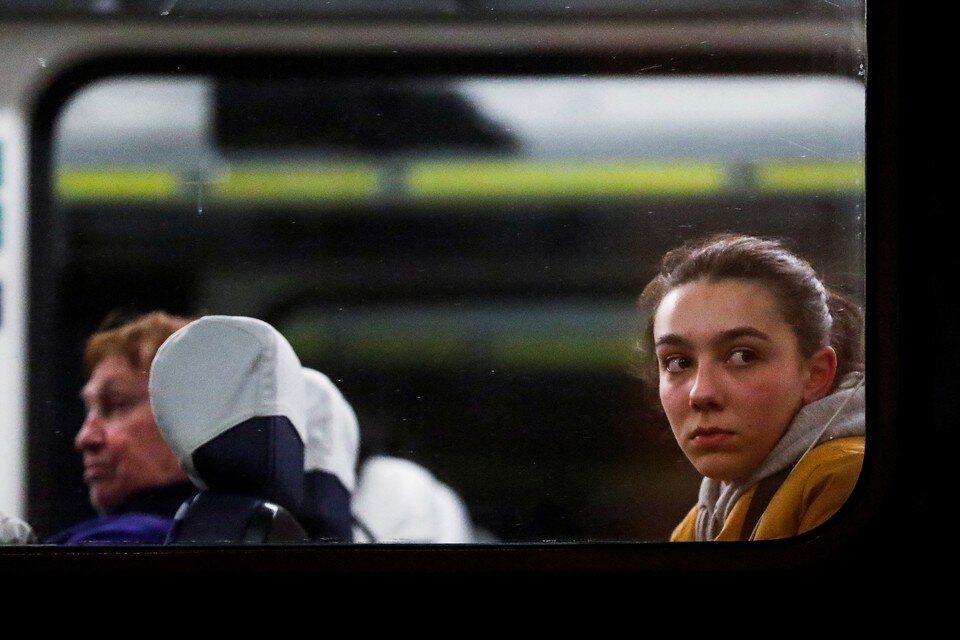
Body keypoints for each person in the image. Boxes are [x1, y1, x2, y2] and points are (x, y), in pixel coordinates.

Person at [634, 232, 864, 541]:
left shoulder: (843, 476)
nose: (702, 394)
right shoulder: (703, 519)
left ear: (816, 374)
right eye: (678, 362)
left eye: (743, 356)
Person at [47, 309, 197, 544]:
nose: (85, 438)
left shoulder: (127, 541)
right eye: (90, 410)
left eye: (116, 405)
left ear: (195, 418)